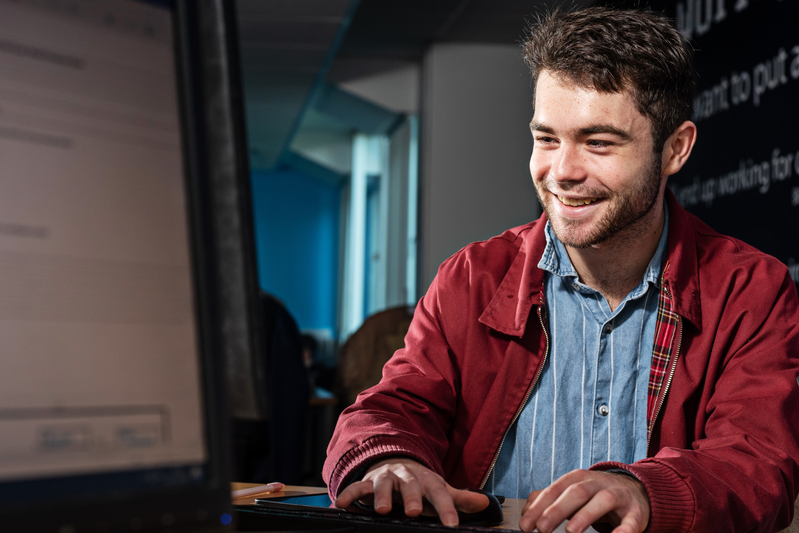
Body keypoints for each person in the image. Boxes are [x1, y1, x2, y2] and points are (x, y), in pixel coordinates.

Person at [323, 7, 799, 533]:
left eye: (598, 143)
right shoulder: (471, 277)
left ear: (675, 149)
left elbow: (757, 466)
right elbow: (392, 409)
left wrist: (643, 489)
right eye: (547, 139)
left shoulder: (751, 290)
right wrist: (386, 459)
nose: (563, 171)